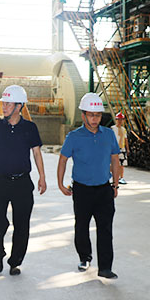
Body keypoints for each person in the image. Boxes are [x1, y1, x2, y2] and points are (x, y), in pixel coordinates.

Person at [0, 85, 47, 276]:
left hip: (23, 183)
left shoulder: (30, 128)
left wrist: (42, 176)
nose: (4, 107)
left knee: (22, 224)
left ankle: (15, 261)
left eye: (8, 104)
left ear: (19, 106)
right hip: (1, 182)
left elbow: (37, 153)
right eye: (3, 103)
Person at [56, 92, 121, 280]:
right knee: (82, 226)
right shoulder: (74, 137)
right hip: (82, 190)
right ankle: (84, 257)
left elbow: (115, 159)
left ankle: (105, 268)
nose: (95, 119)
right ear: (83, 115)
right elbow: (63, 160)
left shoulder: (108, 134)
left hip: (104, 190)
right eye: (91, 115)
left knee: (105, 229)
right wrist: (60, 184)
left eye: (98, 115)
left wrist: (115, 184)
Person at [112, 112, 128, 184]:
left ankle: (121, 177)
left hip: (122, 148)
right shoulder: (112, 128)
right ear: (116, 120)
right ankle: (115, 177)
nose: (120, 121)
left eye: (121, 119)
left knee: (122, 164)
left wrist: (127, 148)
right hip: (114, 148)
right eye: (118, 119)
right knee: (114, 164)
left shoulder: (123, 129)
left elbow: (125, 139)